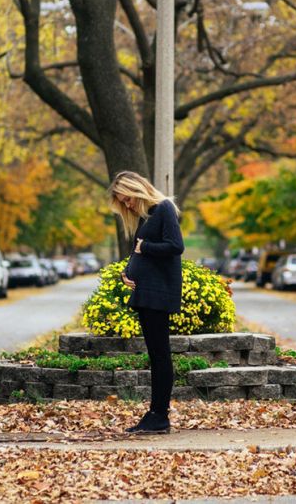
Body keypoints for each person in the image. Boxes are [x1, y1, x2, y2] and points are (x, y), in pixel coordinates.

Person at [108, 171, 184, 434]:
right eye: (123, 202)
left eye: (127, 199)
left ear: (137, 190)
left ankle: (159, 416)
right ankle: (155, 414)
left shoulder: (163, 208)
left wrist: (145, 250)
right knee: (156, 354)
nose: (127, 205)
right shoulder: (146, 217)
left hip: (158, 293)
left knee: (160, 355)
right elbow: (140, 250)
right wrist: (128, 272)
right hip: (147, 292)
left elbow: (176, 246)